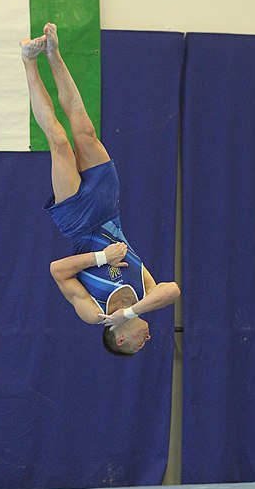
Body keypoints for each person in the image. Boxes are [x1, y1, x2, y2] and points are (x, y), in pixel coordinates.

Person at [20, 23, 180, 356]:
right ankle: (53, 53)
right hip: (108, 208)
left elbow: (57, 271)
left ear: (120, 339)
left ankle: (29, 62)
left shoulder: (94, 313)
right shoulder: (144, 296)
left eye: (138, 345)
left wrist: (102, 258)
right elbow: (173, 291)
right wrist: (131, 312)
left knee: (60, 143)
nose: (146, 340)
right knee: (85, 130)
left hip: (77, 223)